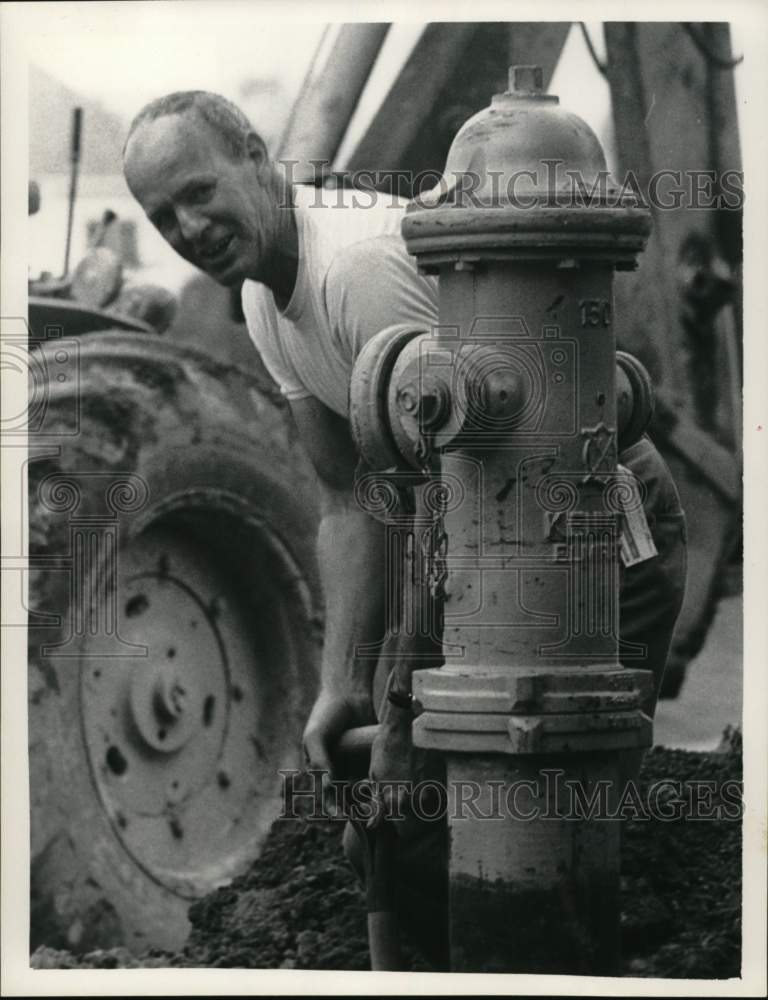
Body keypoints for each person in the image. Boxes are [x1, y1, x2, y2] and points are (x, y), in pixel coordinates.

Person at [123, 91, 687, 969]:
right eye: (162, 215)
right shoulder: (269, 298)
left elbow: (462, 485)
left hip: (593, 530)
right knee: (407, 819)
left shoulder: (356, 270)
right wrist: (344, 682)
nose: (187, 226)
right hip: (479, 536)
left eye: (198, 191)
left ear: (252, 149)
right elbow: (352, 498)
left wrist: (399, 701)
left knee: (531, 803)